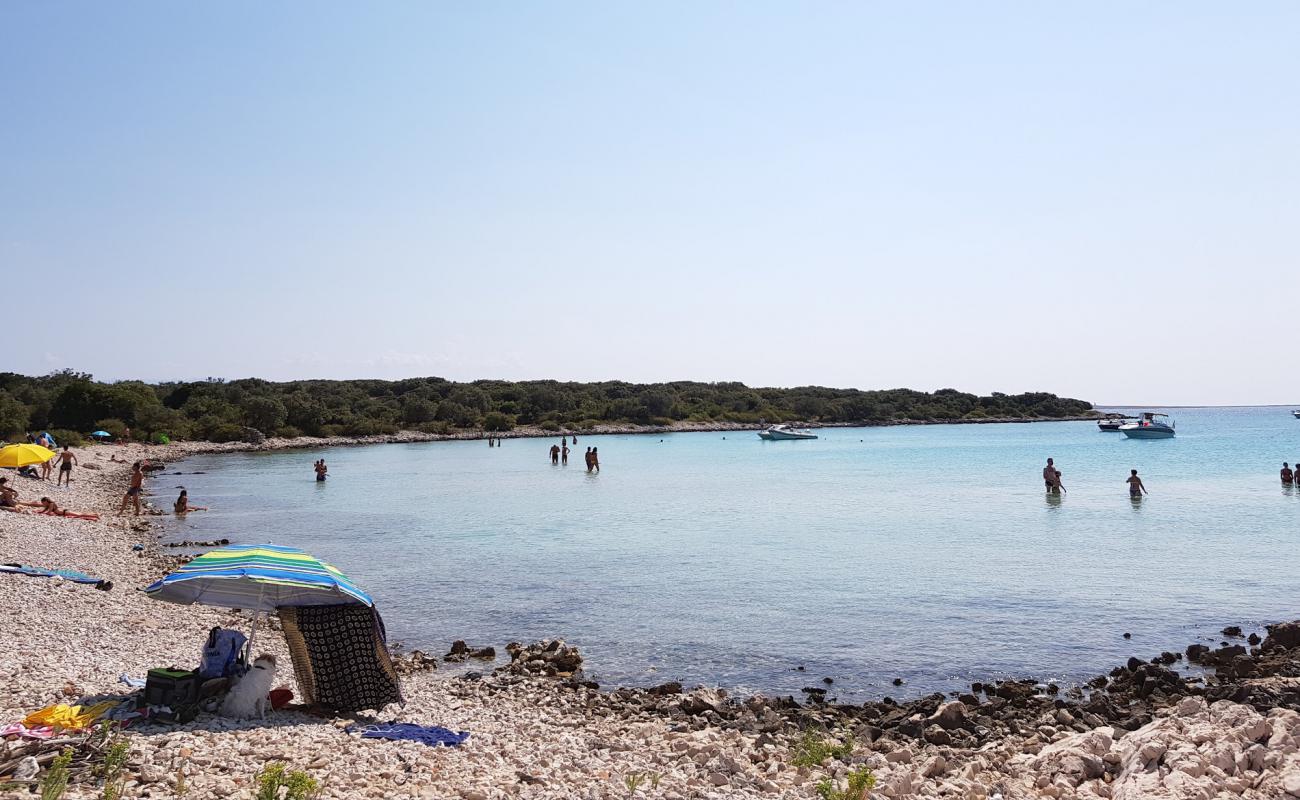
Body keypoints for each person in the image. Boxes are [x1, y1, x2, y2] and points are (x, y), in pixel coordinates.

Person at [30, 497, 99, 521]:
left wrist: (42, 514)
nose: (43, 504)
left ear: (46, 501)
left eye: (43, 502)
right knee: (80, 514)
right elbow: (45, 510)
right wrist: (39, 512)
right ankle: (94, 514)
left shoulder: (51, 504)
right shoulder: (48, 505)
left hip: (64, 512)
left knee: (80, 515)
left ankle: (95, 516)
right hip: (63, 512)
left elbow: (49, 512)